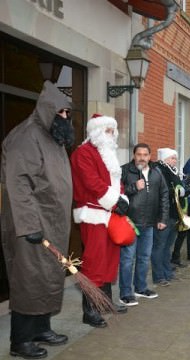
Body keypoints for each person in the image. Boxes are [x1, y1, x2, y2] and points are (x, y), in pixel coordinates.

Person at [1, 81, 73, 359]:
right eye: (63, 113)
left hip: (54, 223)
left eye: (68, 113)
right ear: (48, 110)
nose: (67, 118)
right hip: (32, 225)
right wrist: (30, 225)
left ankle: (42, 328)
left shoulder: (52, 138)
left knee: (49, 276)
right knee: (29, 279)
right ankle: (20, 341)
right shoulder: (26, 137)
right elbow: (17, 185)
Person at [70, 113, 129, 328]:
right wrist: (115, 201)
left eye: (113, 130)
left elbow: (116, 180)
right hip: (93, 214)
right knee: (94, 262)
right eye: (108, 130)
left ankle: (104, 302)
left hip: (109, 215)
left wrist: (122, 198)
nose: (112, 134)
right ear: (96, 131)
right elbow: (92, 182)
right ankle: (90, 310)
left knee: (109, 261)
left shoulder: (108, 153)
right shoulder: (83, 153)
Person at [119, 143, 169, 305]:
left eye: (145, 154)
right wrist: (133, 187)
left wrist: (162, 219)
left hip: (149, 223)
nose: (142, 157)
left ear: (149, 156)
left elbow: (164, 195)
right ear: (134, 156)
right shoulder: (125, 171)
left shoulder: (156, 173)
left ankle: (140, 288)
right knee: (127, 260)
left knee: (144, 257)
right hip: (129, 222)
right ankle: (125, 293)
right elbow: (116, 193)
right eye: (139, 154)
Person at [151, 148, 189, 285]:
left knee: (167, 246)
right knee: (159, 246)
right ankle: (158, 276)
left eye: (175, 158)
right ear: (165, 159)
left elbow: (177, 188)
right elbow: (164, 191)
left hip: (173, 213)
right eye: (172, 158)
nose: (175, 160)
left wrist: (185, 190)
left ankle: (167, 272)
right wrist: (178, 191)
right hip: (163, 214)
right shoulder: (159, 170)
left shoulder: (173, 171)